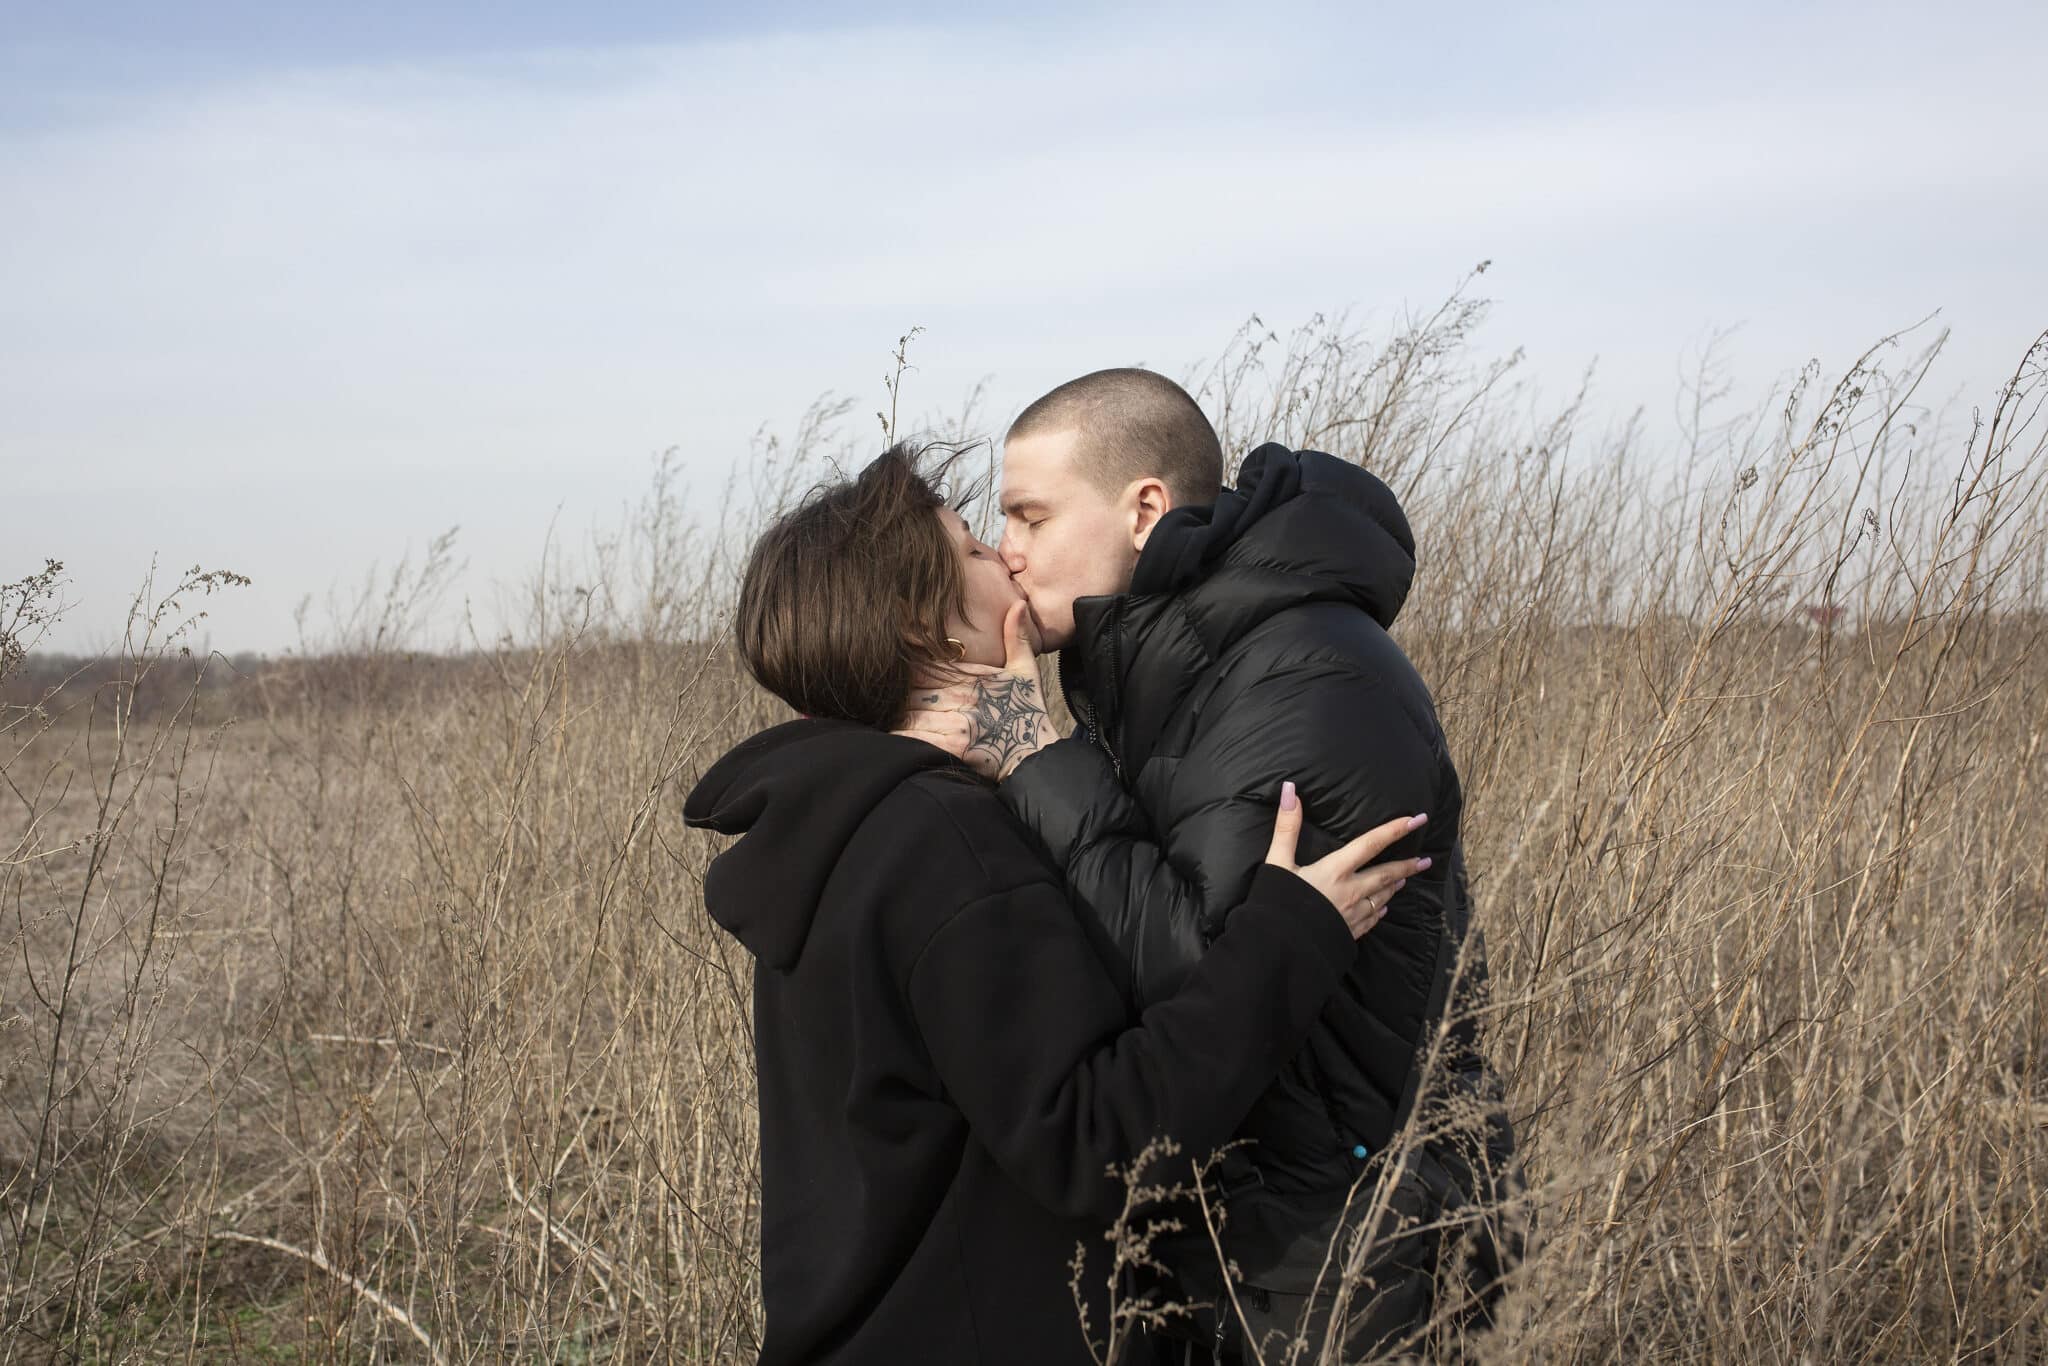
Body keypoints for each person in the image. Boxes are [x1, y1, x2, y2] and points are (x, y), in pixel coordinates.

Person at [683, 443, 1434, 1366]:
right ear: (927, 628)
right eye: (970, 551)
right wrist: (1290, 934)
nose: (1004, 557)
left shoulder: (836, 826)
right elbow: (1097, 1141)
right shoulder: (940, 841)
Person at [898, 370, 1519, 1354]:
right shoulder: (1163, 669)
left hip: (1340, 1245)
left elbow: (1208, 979)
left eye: (1029, 516)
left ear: (1143, 507)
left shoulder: (1307, 675)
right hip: (1238, 1222)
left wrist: (1028, 755)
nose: (1007, 555)